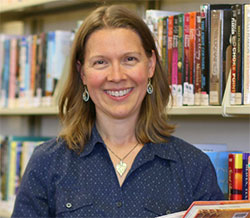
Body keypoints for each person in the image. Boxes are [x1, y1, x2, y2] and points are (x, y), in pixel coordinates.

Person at [11, 5, 225, 218]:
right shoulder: (47, 163)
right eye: (101, 62)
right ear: (82, 73)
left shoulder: (193, 166)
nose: (116, 76)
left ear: (150, 65)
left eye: (129, 59)